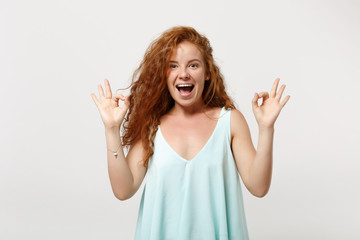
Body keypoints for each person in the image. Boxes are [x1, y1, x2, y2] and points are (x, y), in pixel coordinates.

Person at [91, 26, 290, 240]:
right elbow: (123, 190)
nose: (183, 73)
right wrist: (111, 130)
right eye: (173, 66)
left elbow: (259, 187)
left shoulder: (230, 122)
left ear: (206, 73)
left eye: (193, 65)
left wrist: (266, 129)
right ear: (163, 74)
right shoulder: (151, 125)